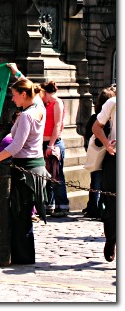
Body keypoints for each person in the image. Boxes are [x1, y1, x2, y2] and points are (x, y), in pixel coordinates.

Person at [0, 63, 49, 264]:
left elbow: (15, 146)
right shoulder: (39, 106)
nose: (12, 99)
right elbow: (33, 89)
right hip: (35, 166)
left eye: (14, 95)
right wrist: (16, 71)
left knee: (21, 215)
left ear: (23, 94)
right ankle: (19, 253)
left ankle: (24, 257)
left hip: (26, 168)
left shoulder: (28, 115)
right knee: (21, 213)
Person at [82, 85, 116, 219]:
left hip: (101, 153)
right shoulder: (107, 114)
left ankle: (94, 207)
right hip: (107, 153)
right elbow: (96, 130)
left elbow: (88, 133)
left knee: (96, 182)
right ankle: (98, 208)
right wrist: (107, 144)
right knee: (101, 184)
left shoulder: (95, 116)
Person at [92, 94, 116, 262]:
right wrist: (107, 144)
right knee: (112, 204)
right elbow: (96, 127)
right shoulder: (113, 102)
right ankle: (111, 239)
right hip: (115, 159)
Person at [40, 81, 69, 218]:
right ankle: (48, 205)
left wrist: (51, 145)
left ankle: (62, 206)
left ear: (45, 92)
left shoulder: (57, 102)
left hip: (54, 143)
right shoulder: (43, 104)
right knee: (45, 176)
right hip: (42, 142)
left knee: (57, 176)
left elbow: (57, 125)